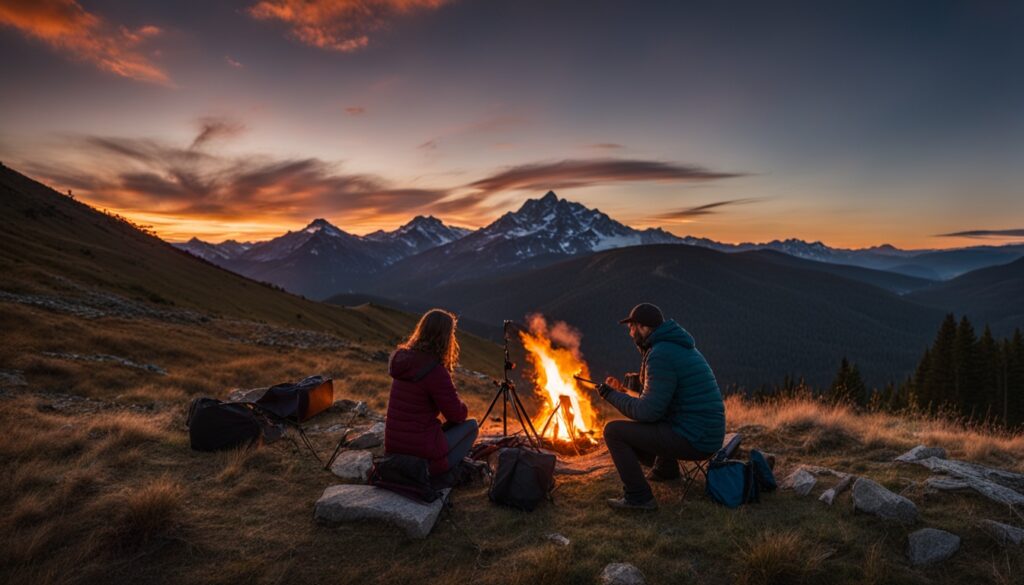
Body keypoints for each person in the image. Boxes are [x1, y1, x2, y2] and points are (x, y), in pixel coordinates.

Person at [597, 303, 726, 510]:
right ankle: (666, 469)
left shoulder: (661, 354)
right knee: (659, 419)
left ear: (643, 327)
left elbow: (647, 412)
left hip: (696, 438)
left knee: (613, 432)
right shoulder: (674, 346)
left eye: (631, 328)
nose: (630, 334)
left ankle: (639, 497)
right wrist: (621, 392)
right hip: (705, 433)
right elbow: (659, 400)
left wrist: (611, 396)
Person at [384, 308, 478, 481]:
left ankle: (425, 466)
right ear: (446, 337)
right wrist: (463, 405)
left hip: (393, 448)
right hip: (421, 449)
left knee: (441, 428)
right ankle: (435, 470)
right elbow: (456, 415)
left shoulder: (404, 361)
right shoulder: (435, 370)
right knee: (471, 426)